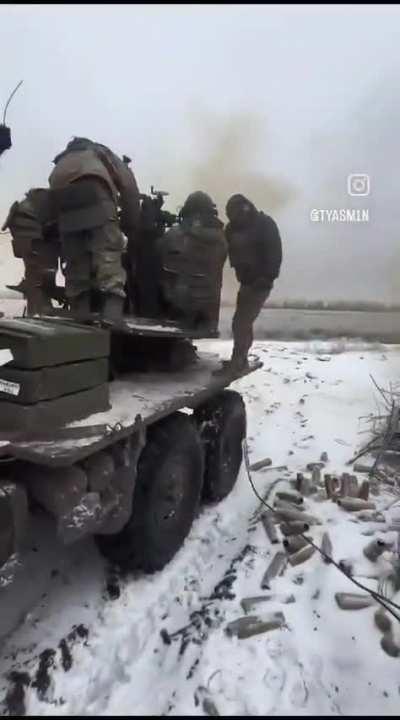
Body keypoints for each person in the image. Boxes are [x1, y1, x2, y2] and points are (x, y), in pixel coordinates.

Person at [48, 137, 141, 319]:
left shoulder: (63, 160)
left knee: (76, 261)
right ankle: (112, 315)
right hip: (94, 191)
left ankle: (80, 314)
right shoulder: (100, 152)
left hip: (62, 200)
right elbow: (129, 188)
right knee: (108, 253)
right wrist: (131, 225)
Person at [215, 193, 282, 373]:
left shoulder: (265, 224)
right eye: (231, 215)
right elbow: (221, 244)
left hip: (260, 283)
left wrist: (267, 277)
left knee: (241, 322)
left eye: (236, 214)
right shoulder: (232, 228)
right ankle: (240, 359)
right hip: (246, 282)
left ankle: (239, 362)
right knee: (241, 322)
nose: (234, 218)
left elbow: (275, 253)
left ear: (245, 209)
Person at [158, 191, 227, 331]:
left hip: (179, 309)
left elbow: (156, 253)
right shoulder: (221, 240)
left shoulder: (175, 236)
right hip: (208, 313)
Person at [2, 188, 60, 316]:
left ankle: (39, 311)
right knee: (41, 273)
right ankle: (39, 315)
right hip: (31, 217)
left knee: (42, 272)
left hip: (33, 218)